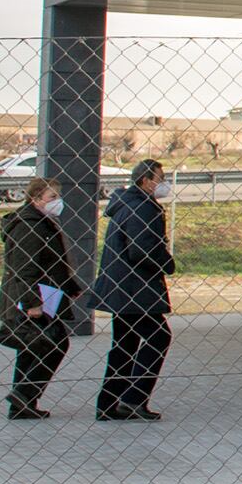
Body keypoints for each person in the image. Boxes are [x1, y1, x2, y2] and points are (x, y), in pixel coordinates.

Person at [91, 158, 175, 422]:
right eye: (160, 179)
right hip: (136, 289)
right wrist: (167, 262)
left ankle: (109, 402)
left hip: (121, 287)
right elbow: (142, 249)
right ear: (146, 181)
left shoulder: (125, 204)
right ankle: (133, 398)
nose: (163, 184)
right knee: (158, 337)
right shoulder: (144, 208)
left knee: (124, 344)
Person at [0, 177, 84, 420]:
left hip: (46, 294)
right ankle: (24, 395)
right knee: (54, 342)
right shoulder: (29, 226)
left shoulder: (43, 222)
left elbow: (53, 262)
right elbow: (25, 268)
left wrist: (70, 285)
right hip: (32, 298)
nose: (58, 202)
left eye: (57, 196)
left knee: (32, 348)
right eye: (51, 197)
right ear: (35, 199)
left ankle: (23, 403)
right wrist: (32, 303)